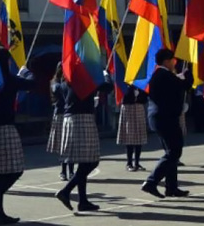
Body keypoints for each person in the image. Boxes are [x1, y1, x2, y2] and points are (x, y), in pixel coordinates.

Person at [0, 47, 36, 224]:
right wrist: (26, 72)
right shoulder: (9, 79)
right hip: (4, 128)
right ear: (6, 61)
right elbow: (32, 83)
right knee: (15, 169)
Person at [55, 70, 113, 212]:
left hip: (71, 119)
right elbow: (108, 87)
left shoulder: (64, 83)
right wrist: (105, 74)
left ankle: (83, 201)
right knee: (91, 161)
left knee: (84, 162)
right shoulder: (83, 81)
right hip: (82, 119)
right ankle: (66, 190)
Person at [141, 49, 194, 199]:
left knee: (171, 152)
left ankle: (171, 187)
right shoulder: (163, 74)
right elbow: (185, 85)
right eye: (173, 60)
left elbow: (175, 90)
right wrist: (188, 75)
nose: (175, 63)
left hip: (162, 118)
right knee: (174, 152)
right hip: (165, 119)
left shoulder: (161, 75)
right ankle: (151, 181)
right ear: (166, 61)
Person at [47, 63, 74, 181]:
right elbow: (56, 89)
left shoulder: (69, 83)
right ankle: (63, 171)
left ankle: (72, 171)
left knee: (71, 145)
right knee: (63, 146)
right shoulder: (55, 82)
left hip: (69, 113)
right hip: (60, 115)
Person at [118, 84, 148, 172]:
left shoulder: (141, 82)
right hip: (128, 107)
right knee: (129, 136)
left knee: (139, 137)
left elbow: (146, 95)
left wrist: (140, 95)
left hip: (139, 107)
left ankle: (137, 162)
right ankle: (129, 163)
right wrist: (131, 92)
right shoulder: (125, 80)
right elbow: (122, 93)